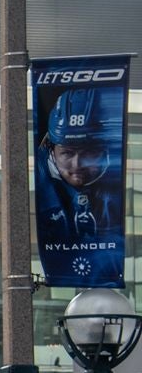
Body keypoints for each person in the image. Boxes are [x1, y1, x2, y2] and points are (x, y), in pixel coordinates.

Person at [34, 85, 126, 286]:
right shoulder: (41, 183)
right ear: (51, 150)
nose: (77, 165)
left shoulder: (115, 182)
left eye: (88, 153)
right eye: (67, 153)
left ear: (105, 150)